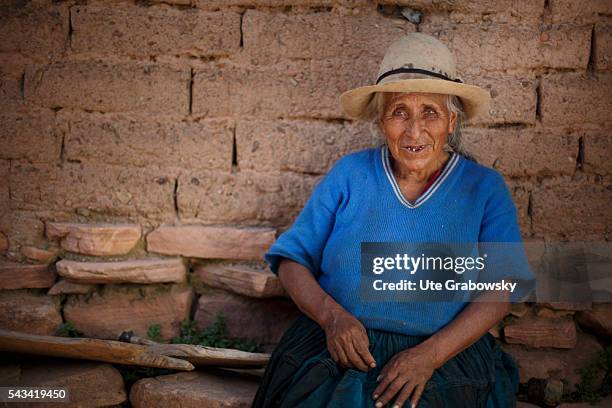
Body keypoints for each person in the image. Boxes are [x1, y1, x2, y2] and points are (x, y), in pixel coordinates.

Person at [252, 33, 533, 408]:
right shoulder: (350, 175)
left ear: (452, 121)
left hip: (444, 353)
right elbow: (291, 260)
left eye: (430, 113)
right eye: (399, 111)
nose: (414, 131)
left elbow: (500, 292)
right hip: (338, 344)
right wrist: (332, 317)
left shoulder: (483, 189)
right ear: (382, 121)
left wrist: (429, 356)